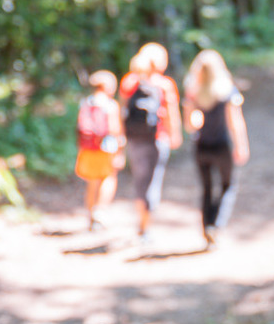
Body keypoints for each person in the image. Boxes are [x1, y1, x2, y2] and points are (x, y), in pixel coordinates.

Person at [182, 49, 249, 249]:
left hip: (202, 146)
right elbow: (235, 122)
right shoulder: (227, 91)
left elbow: (190, 126)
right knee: (228, 186)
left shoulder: (194, 93)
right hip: (222, 146)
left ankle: (206, 227)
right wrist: (241, 145)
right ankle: (216, 225)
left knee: (207, 189)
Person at [119, 43, 182, 242]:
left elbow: (122, 112)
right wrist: (176, 135)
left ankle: (141, 222)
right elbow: (171, 113)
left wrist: (121, 137)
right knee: (152, 181)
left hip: (134, 138)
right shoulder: (164, 84)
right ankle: (146, 228)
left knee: (140, 180)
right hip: (156, 139)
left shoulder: (129, 82)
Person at [74, 70, 125, 231]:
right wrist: (120, 150)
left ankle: (90, 216)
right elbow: (114, 129)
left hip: (88, 148)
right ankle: (100, 211)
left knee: (92, 181)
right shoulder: (110, 105)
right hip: (106, 148)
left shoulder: (86, 103)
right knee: (109, 178)